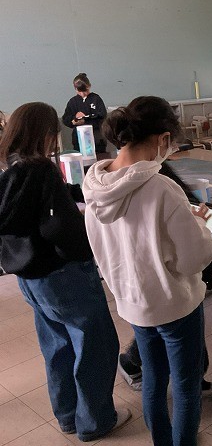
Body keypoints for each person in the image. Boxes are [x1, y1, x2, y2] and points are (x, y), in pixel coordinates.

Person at [83, 96, 212, 445]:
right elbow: (193, 259)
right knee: (185, 387)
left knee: (154, 379)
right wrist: (199, 226)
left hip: (133, 303)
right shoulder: (162, 188)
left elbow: (101, 250)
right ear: (163, 139)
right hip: (174, 305)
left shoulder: (94, 187)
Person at [0, 102, 130, 441]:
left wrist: (76, 193)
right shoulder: (40, 168)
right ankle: (96, 422)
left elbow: (38, 207)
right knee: (95, 346)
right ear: (44, 133)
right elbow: (58, 226)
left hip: (29, 276)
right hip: (63, 275)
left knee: (57, 346)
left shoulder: (11, 165)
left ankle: (68, 416)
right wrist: (86, 238)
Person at [117, 161, 212, 393]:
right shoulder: (138, 179)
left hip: (153, 282)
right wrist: (204, 237)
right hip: (162, 277)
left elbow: (190, 204)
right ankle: (187, 383)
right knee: (169, 333)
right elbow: (193, 252)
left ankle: (137, 365)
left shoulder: (154, 169)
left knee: (160, 333)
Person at [62, 73, 108, 154]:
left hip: (96, 138)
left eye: (85, 91)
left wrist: (86, 120)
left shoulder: (96, 99)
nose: (83, 94)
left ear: (89, 86)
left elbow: (102, 116)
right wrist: (73, 120)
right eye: (80, 91)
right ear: (75, 89)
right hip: (79, 139)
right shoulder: (73, 102)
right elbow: (65, 119)